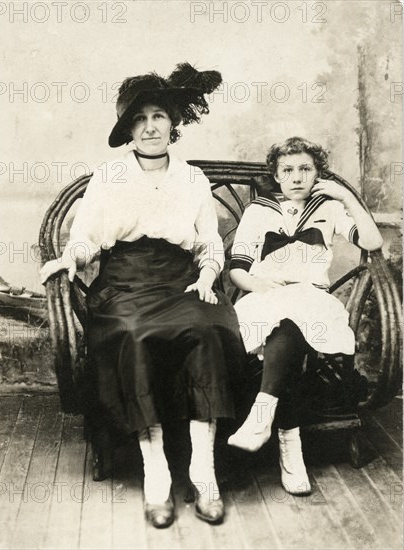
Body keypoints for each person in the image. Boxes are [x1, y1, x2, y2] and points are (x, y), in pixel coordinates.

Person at [40, 63, 247, 528]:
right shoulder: (109, 175)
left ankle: (203, 472)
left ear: (174, 124)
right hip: (124, 282)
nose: (151, 126)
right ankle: (156, 473)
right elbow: (88, 237)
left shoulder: (192, 178)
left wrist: (208, 274)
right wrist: (69, 259)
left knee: (207, 328)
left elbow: (208, 241)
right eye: (140, 119)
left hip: (181, 280)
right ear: (129, 130)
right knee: (133, 335)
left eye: (158, 116)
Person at [227, 136, 383, 495]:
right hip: (266, 296)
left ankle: (263, 417)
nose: (296, 177)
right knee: (283, 325)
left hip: (313, 300)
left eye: (305, 169)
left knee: (296, 317)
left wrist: (347, 197)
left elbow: (372, 242)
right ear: (276, 176)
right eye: (287, 170)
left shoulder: (329, 207)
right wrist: (261, 283)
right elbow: (237, 269)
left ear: (317, 174)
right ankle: (289, 448)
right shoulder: (259, 210)